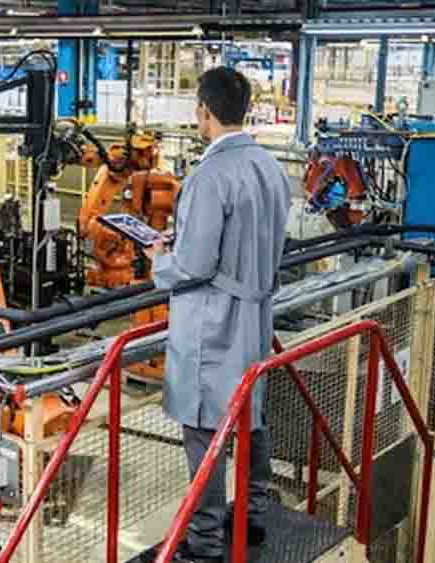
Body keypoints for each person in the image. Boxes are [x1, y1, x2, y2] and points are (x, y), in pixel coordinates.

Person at [143, 67, 291, 561]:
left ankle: (204, 543)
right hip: (255, 317)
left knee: (204, 430)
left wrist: (159, 260)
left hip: (213, 323)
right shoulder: (269, 166)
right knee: (249, 415)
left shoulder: (210, 176)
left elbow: (196, 263)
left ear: (203, 111)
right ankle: (250, 515)